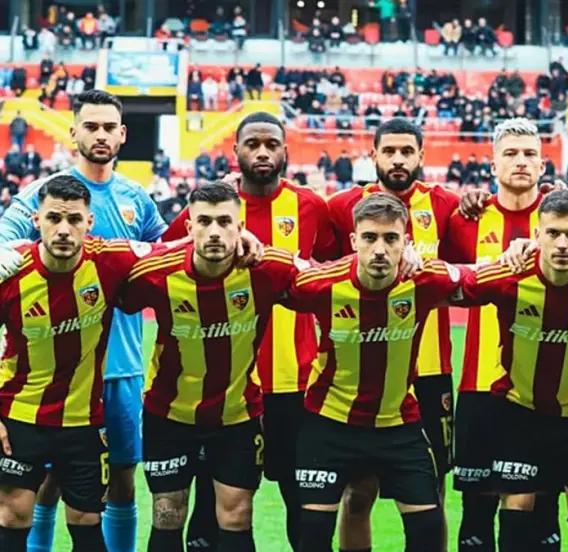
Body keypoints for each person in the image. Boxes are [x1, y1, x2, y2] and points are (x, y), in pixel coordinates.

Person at [0, 89, 168, 552]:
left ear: (123, 134)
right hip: (52, 372)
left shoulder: (137, 198)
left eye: (109, 127)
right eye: (90, 126)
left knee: (121, 478)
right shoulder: (46, 195)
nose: (100, 135)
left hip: (122, 367)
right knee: (43, 483)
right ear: (73, 131)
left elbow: (167, 255)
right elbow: (5, 241)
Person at [162, 112, 338, 552]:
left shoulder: (311, 207)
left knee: (302, 500)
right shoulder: (211, 210)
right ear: (235, 151)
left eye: (271, 144)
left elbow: (335, 275)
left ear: (285, 151)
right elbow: (165, 257)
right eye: (252, 144)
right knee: (213, 505)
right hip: (225, 389)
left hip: (294, 383)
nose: (262, 152)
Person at [454, 190, 568, 552]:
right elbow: (448, 286)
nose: (562, 244)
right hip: (518, 413)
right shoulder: (509, 275)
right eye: (553, 233)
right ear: (536, 235)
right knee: (518, 505)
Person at [120, 182, 297, 552]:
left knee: (237, 514)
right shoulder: (156, 271)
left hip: (237, 415)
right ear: (189, 227)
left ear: (240, 226)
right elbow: (107, 271)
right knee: (168, 512)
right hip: (169, 415)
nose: (214, 231)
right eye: (204, 221)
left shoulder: (269, 268)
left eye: (224, 222)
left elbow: (327, 277)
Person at [285, 193, 465, 551]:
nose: (380, 249)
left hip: (398, 424)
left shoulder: (425, 280)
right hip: (329, 423)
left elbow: (487, 277)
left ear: (406, 242)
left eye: (390, 238)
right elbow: (269, 274)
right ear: (354, 241)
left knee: (429, 528)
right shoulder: (321, 284)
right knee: (313, 534)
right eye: (370, 237)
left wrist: (523, 249)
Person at [326, 118, 460, 552]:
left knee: (432, 490)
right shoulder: (341, 207)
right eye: (389, 151)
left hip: (430, 370)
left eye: (407, 151)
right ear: (374, 155)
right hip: (361, 374)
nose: (398, 160)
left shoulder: (448, 205)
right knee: (357, 492)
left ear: (421, 155)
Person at [443, 118, 563, 552]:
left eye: (530, 154)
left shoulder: (562, 217)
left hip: (544, 391)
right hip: (478, 386)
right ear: (493, 165)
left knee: (542, 513)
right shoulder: (465, 221)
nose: (521, 162)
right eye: (511, 154)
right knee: (476, 513)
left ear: (543, 165)